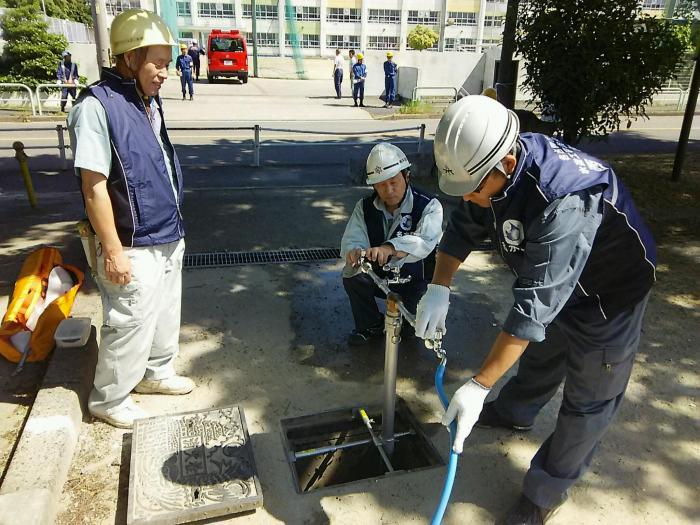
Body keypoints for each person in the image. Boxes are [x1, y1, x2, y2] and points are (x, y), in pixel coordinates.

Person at [415, 95, 655, 524]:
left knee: (588, 402)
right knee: (542, 353)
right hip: (558, 283)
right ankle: (516, 412)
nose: (467, 197)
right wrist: (439, 286)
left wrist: (480, 383)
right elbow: (462, 229)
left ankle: (543, 495)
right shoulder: (486, 167)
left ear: (506, 163)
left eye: (473, 188)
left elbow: (531, 309)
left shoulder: (563, 200)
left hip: (609, 296)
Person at [67, 8, 193, 429]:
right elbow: (94, 187)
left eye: (168, 62)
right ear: (130, 57)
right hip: (131, 241)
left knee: (162, 313)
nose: (165, 72)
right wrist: (114, 250)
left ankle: (156, 374)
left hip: (166, 232)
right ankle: (110, 398)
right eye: (157, 62)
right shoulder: (97, 107)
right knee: (130, 321)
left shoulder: (146, 101)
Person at [341, 143, 443, 346]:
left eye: (393, 181)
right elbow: (353, 237)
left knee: (412, 332)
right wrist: (354, 252)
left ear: (406, 176)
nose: (388, 190)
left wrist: (390, 248)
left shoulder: (429, 205)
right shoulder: (364, 207)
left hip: (416, 280)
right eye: (380, 184)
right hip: (381, 277)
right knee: (351, 273)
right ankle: (370, 324)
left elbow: (424, 241)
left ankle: (410, 318)